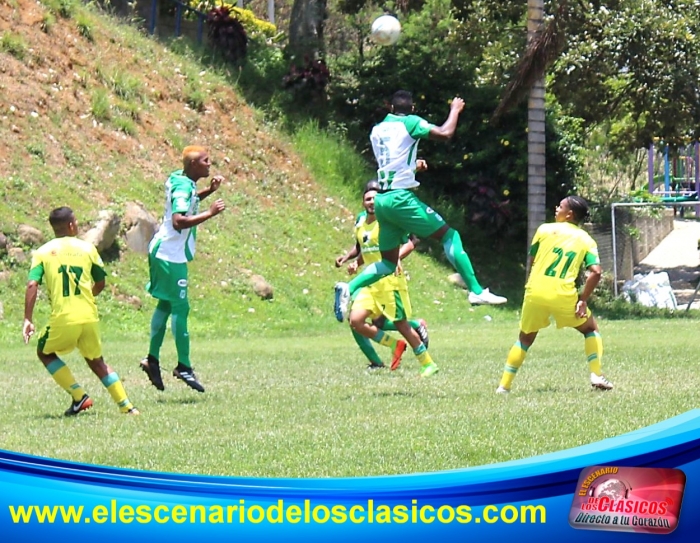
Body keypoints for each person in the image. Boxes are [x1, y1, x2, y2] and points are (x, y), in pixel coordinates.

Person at [334, 90, 506, 323]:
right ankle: (476, 291)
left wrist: (412, 167)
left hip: (382, 201)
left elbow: (391, 162)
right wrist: (454, 110)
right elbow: (445, 134)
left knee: (387, 262)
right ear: (412, 109)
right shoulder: (410, 122)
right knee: (450, 236)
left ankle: (349, 288)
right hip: (400, 199)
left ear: (390, 107)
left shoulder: (377, 130)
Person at [23, 207, 139, 416]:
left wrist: (27, 319)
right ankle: (127, 407)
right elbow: (101, 282)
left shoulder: (43, 252)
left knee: (44, 352)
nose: (77, 225)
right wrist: (86, 297)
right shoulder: (87, 249)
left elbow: (32, 284)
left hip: (64, 317)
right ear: (70, 225)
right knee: (97, 361)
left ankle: (79, 396)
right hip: (89, 315)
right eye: (75, 222)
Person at [496, 195, 613, 394]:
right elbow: (596, 271)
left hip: (535, 291)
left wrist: (531, 286)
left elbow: (532, 260)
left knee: (525, 338)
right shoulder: (586, 240)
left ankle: (504, 386)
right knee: (590, 329)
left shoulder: (544, 230)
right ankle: (596, 374)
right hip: (563, 293)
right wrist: (583, 299)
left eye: (560, 206)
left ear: (569, 214)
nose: (556, 208)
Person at [140, 145, 226, 393]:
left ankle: (152, 360)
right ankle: (184, 366)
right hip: (169, 254)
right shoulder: (182, 186)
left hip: (166, 251)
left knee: (166, 304)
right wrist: (209, 214)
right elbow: (178, 221)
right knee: (180, 307)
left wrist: (208, 191)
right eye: (205, 161)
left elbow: (187, 201)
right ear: (193, 165)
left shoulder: (182, 179)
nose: (210, 164)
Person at [335, 181, 430, 371]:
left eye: (375, 198)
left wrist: (394, 259)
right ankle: (385, 355)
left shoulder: (389, 219)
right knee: (359, 321)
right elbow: (364, 247)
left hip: (388, 278)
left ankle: (424, 357)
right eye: (368, 198)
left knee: (392, 322)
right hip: (370, 279)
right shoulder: (360, 221)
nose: (371, 202)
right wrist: (350, 260)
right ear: (362, 202)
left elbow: (411, 242)